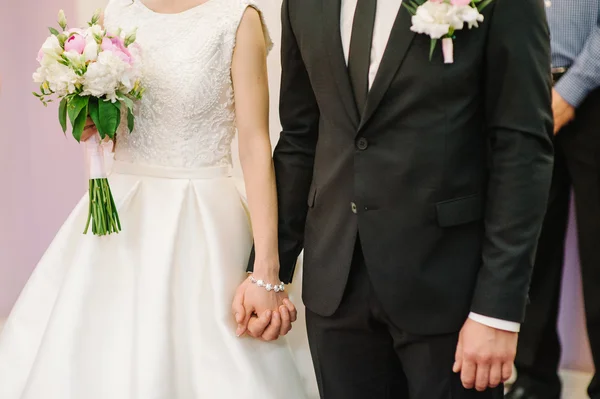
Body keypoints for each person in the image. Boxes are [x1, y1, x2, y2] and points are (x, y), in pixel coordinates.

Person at [233, 0, 554, 398]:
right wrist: (269, 272)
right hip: (336, 285)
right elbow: (302, 135)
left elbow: (522, 150)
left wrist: (498, 311)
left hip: (449, 288)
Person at [0, 0, 316, 397]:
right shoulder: (113, 15)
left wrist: (266, 271)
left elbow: (255, 145)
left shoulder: (237, 20)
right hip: (120, 218)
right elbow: (109, 128)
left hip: (203, 218)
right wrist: (92, 120)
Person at [505, 1, 600, 399]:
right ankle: (532, 377)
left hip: (593, 91)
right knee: (529, 239)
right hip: (522, 92)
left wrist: (570, 91)